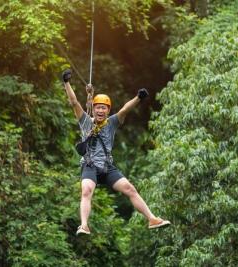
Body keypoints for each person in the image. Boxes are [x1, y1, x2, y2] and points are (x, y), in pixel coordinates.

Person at [62, 69, 171, 235]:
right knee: (86, 191)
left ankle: (152, 219)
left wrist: (138, 98)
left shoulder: (112, 123)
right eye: (97, 107)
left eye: (103, 108)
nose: (100, 111)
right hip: (90, 165)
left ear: (107, 110)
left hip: (107, 167)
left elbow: (125, 110)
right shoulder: (85, 121)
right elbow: (74, 102)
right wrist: (66, 82)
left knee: (130, 189)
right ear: (93, 108)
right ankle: (84, 225)